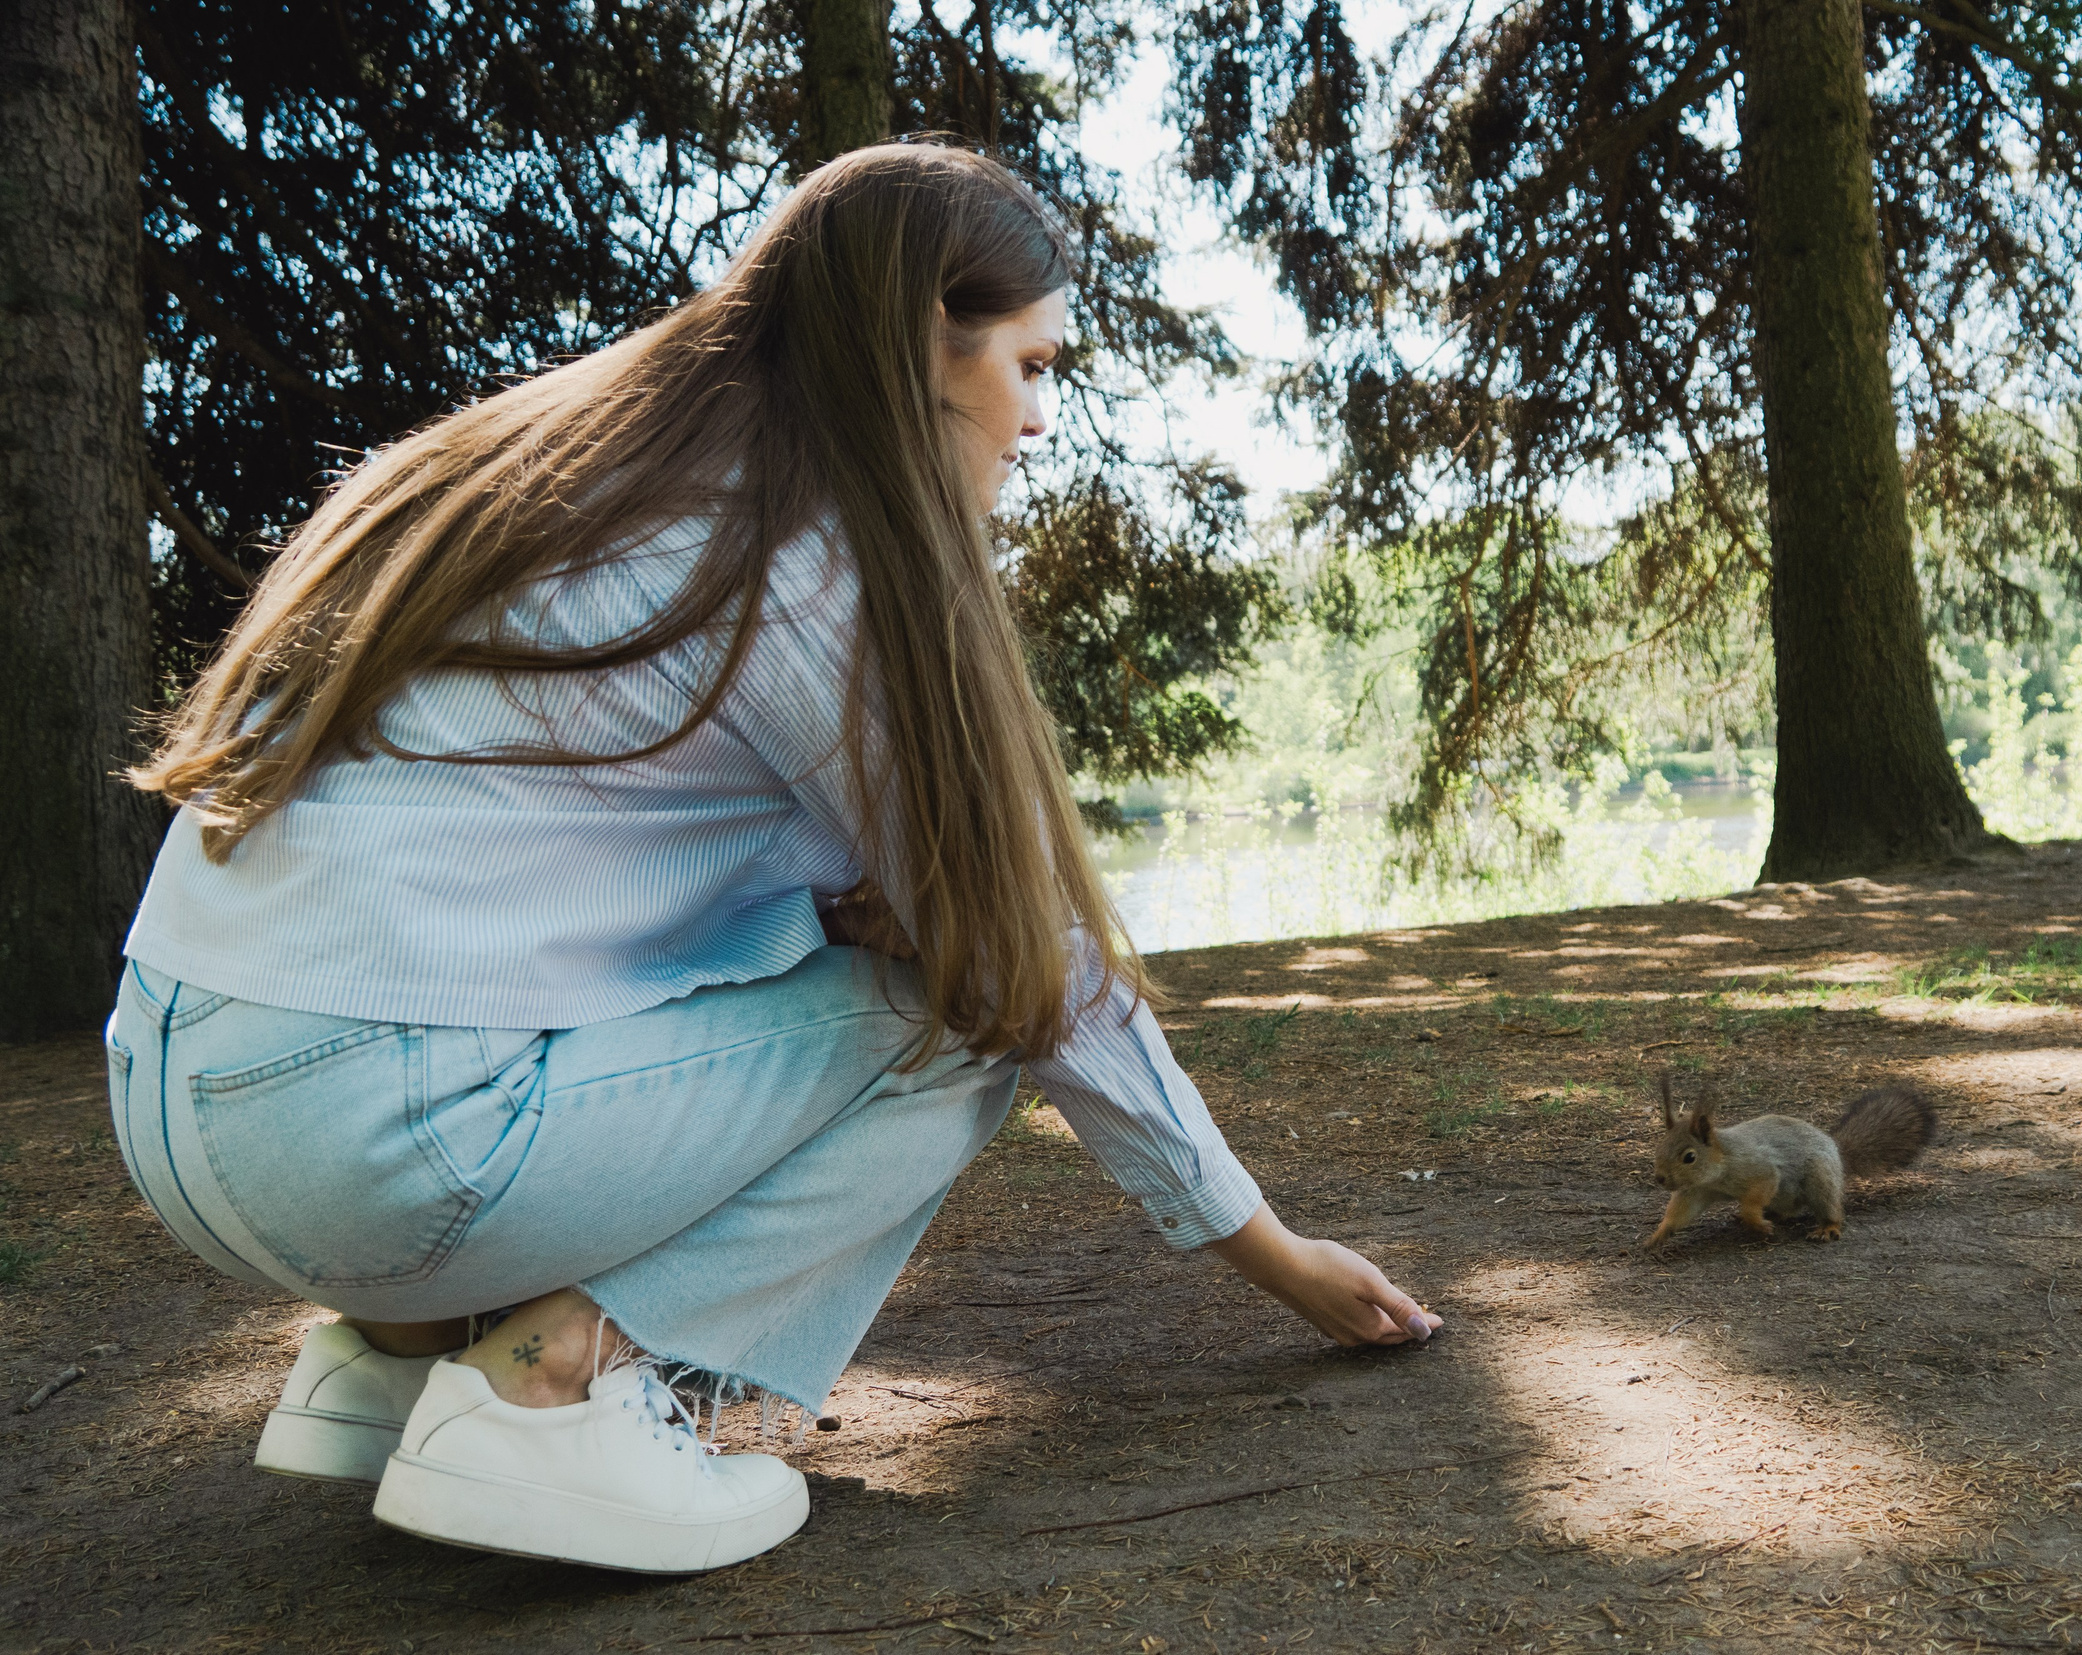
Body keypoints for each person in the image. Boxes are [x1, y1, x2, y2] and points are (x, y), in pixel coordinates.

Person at [108, 143, 1439, 1576]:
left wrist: (832, 911)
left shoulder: (545, 473)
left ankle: (398, 1360)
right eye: (1033, 366)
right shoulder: (805, 562)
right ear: (923, 341)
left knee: (921, 961)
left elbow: (536, 852)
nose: (1042, 417)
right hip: (375, 1143)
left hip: (176, 1099)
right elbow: (1030, 972)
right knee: (964, 1021)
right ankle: (553, 1394)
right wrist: (1270, 1252)